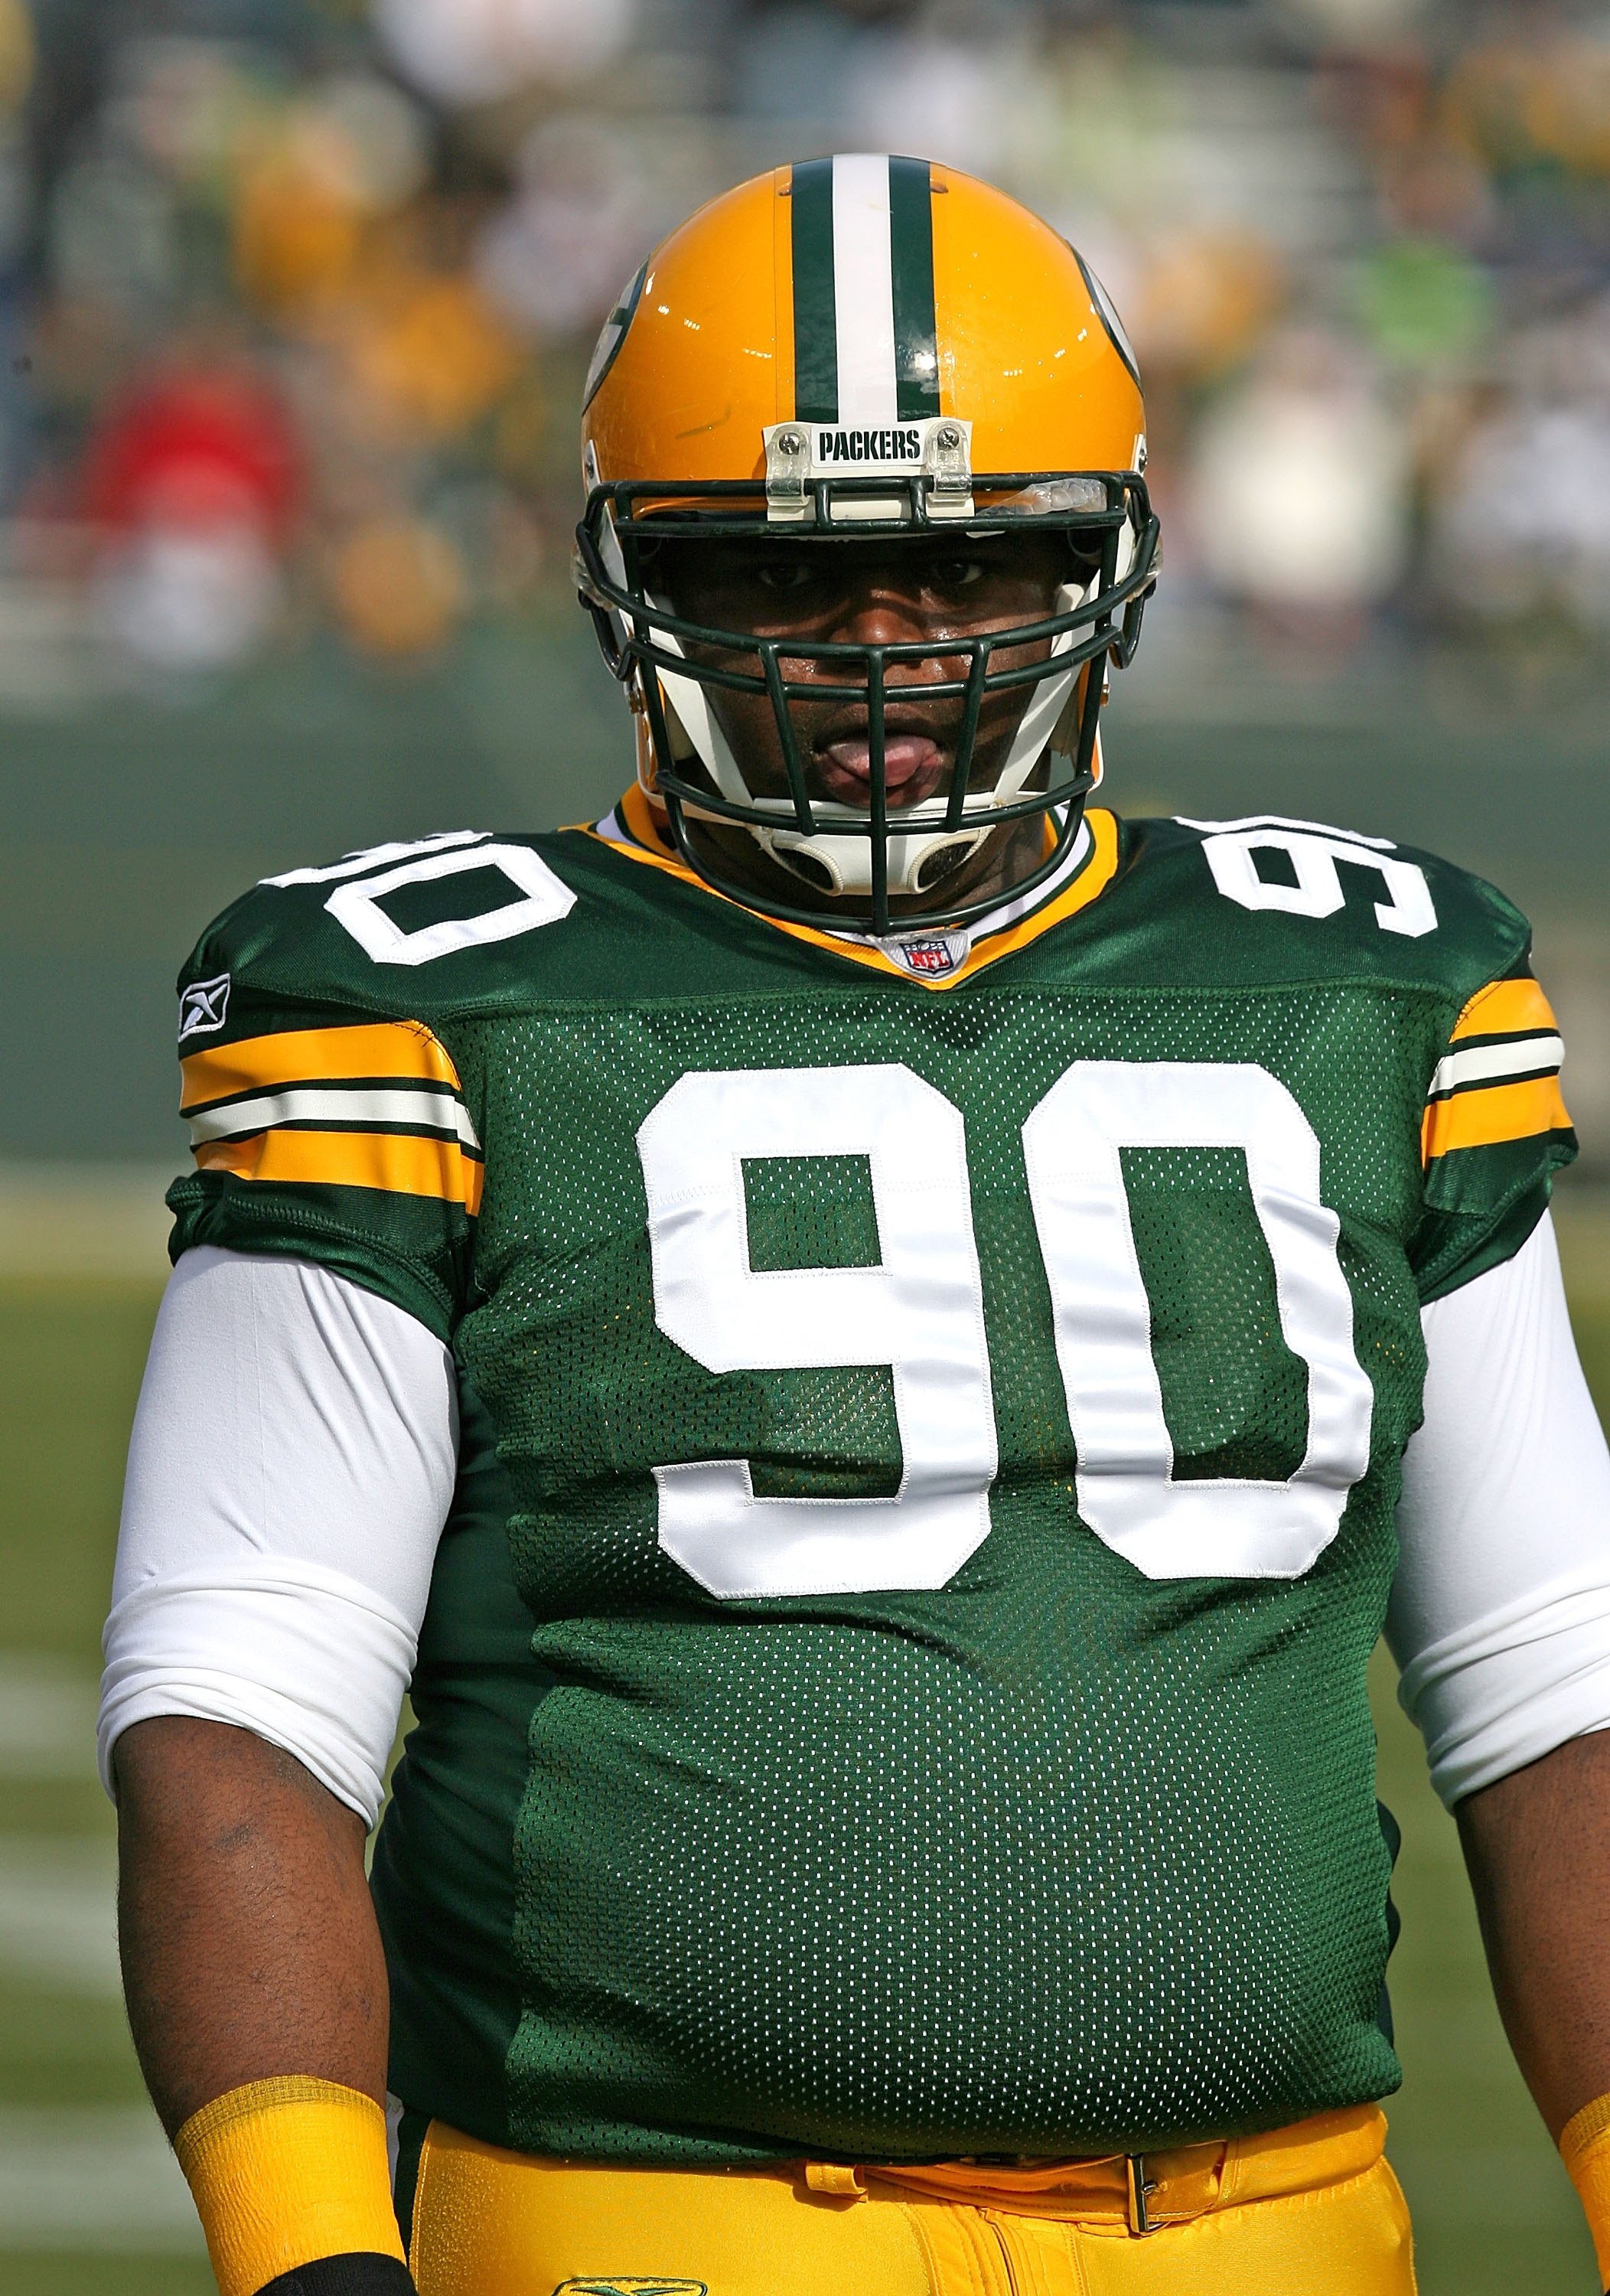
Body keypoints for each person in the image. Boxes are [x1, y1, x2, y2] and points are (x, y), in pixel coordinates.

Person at [100, 155, 1610, 2296]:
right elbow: (239, 1701)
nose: (880, 648)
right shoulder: (439, 1001)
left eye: (973, 561)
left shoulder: (1366, 981)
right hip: (655, 2233)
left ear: (1110, 562)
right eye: (781, 580)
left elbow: (1559, 1684)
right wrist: (316, 2259)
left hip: (1278, 2236)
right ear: (638, 582)